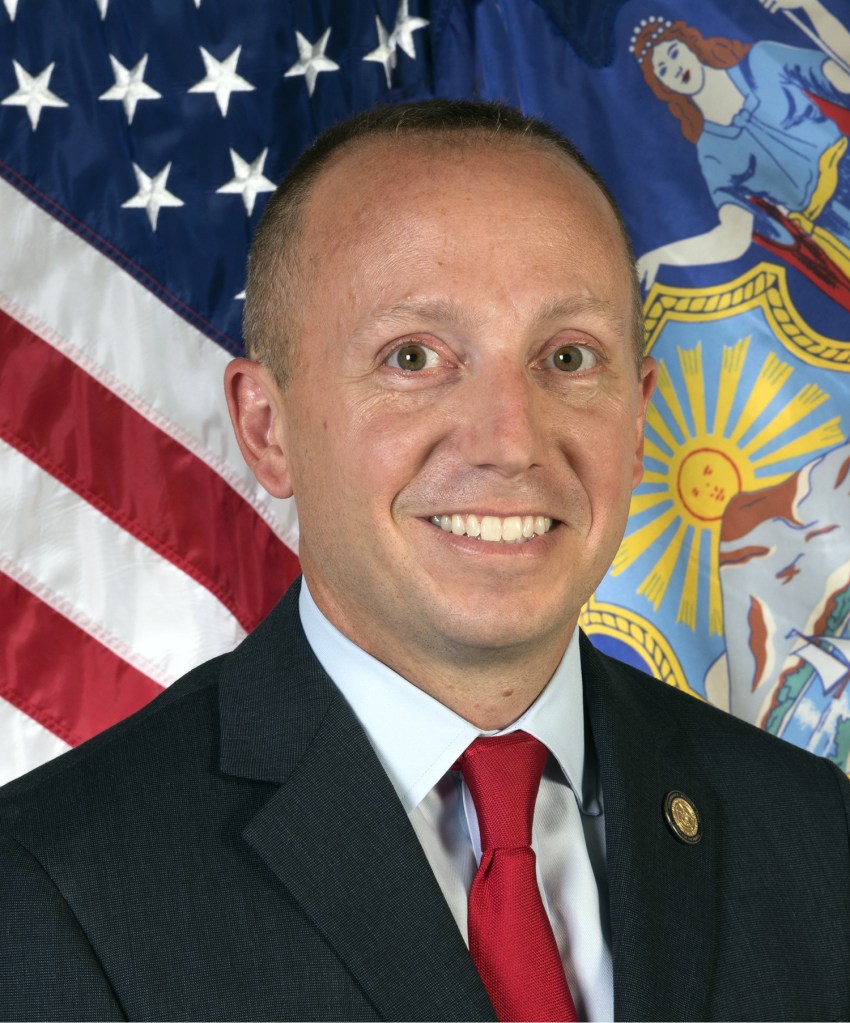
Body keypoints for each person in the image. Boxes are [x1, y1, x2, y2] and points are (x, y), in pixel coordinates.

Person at [0, 99, 848, 1022]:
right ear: (267, 427)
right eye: (414, 357)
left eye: (568, 357)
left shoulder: (813, 831)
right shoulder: (52, 888)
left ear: (640, 418)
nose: (510, 442)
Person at [634, 1, 850, 304]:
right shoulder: (711, 152)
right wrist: (660, 256)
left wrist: (811, 7)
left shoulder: (762, 61)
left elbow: (844, 76)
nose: (675, 68)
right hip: (831, 225)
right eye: (663, 70)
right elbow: (734, 238)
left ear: (691, 45)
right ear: (664, 86)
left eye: (673, 53)